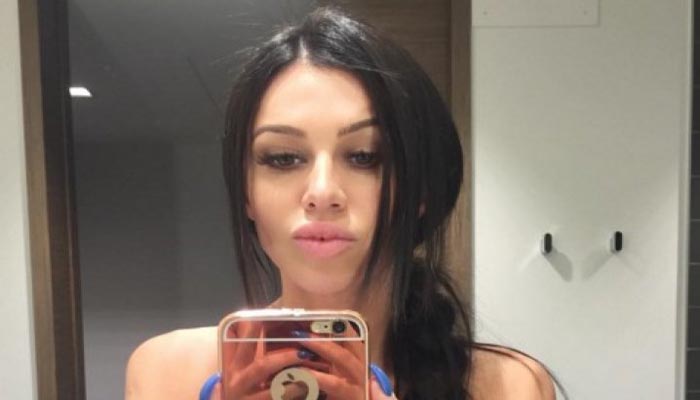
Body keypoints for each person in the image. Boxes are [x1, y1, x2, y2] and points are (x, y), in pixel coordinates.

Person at [125, 6, 560, 400]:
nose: (322, 192)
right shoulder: (168, 374)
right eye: (283, 158)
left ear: (421, 191)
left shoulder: (507, 386)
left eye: (365, 157)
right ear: (246, 194)